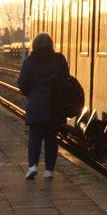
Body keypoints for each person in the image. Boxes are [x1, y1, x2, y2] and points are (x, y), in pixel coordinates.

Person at [16, 32, 69, 179]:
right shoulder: (59, 59)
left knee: (35, 136)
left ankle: (32, 166)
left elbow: (23, 84)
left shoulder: (29, 61)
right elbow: (66, 78)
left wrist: (32, 93)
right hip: (55, 105)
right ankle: (49, 171)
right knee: (52, 137)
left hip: (36, 105)